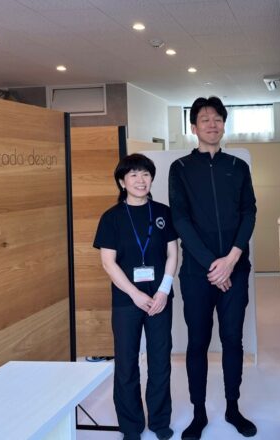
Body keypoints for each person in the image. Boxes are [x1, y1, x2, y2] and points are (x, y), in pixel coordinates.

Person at [169, 96, 257, 440]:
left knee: (232, 340)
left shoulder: (238, 166)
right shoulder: (180, 168)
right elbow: (180, 219)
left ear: (224, 124)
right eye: (205, 119)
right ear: (194, 127)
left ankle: (233, 408)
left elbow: (249, 212)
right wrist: (212, 265)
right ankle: (199, 413)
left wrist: (231, 260)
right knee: (198, 343)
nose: (212, 124)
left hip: (236, 268)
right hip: (197, 273)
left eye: (217, 118)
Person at [93, 153, 178, 440]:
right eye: (133, 175)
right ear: (122, 182)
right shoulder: (111, 218)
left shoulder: (163, 212)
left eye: (145, 174)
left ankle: (160, 421)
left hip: (160, 299)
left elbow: (172, 253)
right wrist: (135, 294)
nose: (141, 180)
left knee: (160, 361)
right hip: (126, 301)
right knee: (126, 363)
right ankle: (130, 426)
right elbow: (108, 263)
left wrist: (164, 290)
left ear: (151, 178)